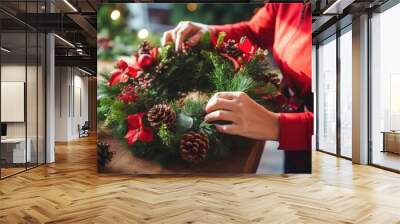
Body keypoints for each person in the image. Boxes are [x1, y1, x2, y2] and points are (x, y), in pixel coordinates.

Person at [162, 3, 313, 173]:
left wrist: (279, 126)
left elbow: (348, 129)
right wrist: (209, 32)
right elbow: (254, 33)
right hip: (295, 125)